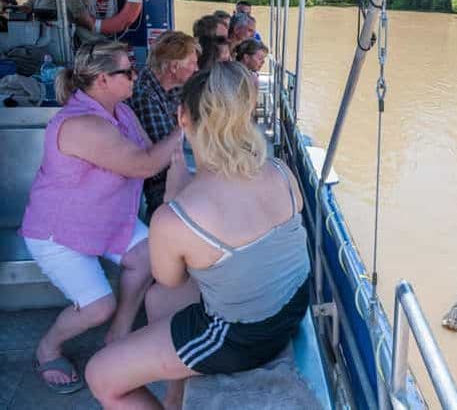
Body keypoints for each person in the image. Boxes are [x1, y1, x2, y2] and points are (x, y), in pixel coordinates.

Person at [86, 62, 311, 409]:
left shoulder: (176, 218)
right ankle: (176, 396)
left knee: (100, 375)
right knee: (157, 301)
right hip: (292, 306)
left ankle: (182, 373)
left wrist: (174, 198)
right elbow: (233, 206)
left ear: (182, 117)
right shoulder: (281, 172)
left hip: (243, 336)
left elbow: (169, 277)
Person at [18, 41, 182, 394]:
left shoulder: (120, 111)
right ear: (104, 79)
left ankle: (118, 336)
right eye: (128, 71)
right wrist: (186, 129)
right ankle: (47, 349)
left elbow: (148, 152)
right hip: (58, 233)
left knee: (149, 256)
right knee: (97, 307)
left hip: (107, 222)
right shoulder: (82, 125)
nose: (135, 76)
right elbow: (146, 164)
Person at [128, 31, 199, 222]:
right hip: (158, 183)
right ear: (174, 67)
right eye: (192, 63)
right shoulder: (145, 95)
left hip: (172, 168)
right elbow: (162, 160)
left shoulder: (170, 87)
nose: (196, 68)